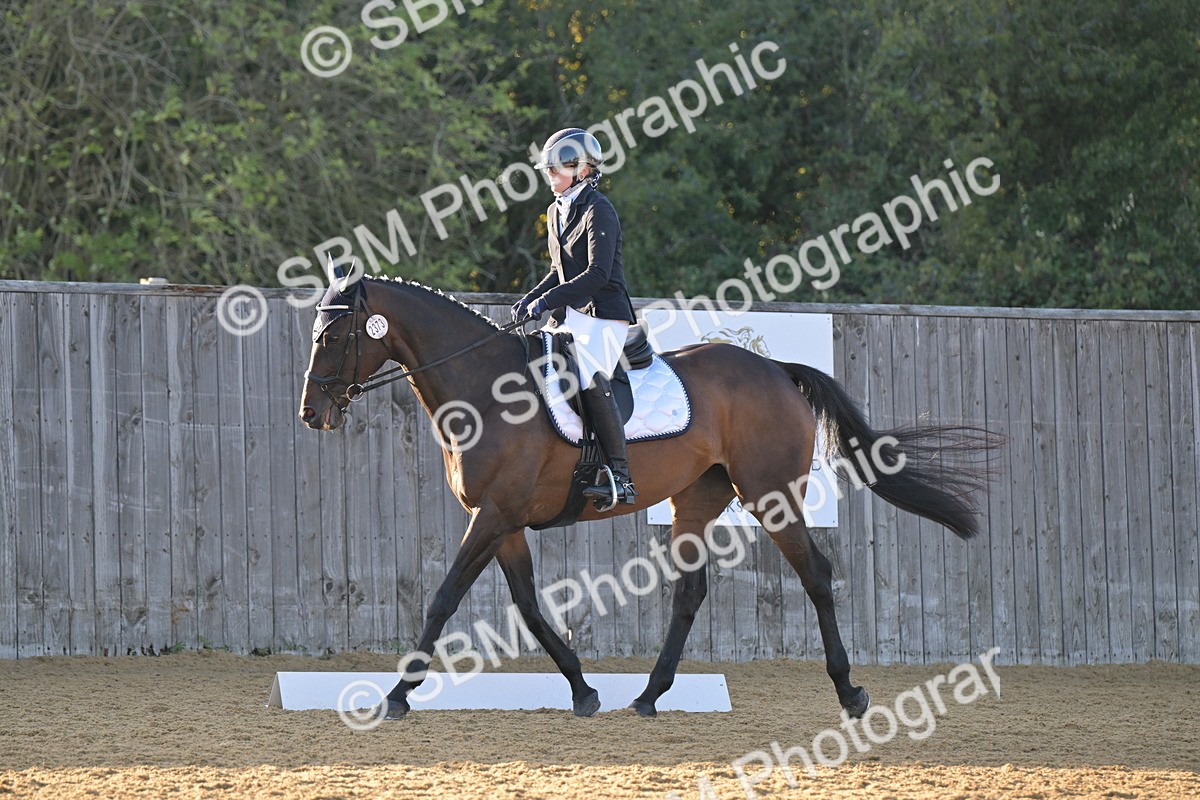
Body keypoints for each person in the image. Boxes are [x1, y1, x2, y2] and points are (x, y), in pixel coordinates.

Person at [512, 127, 638, 505]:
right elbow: (559, 270)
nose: (549, 177)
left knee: (589, 375)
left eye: (556, 170)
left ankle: (620, 475)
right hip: (573, 313)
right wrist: (531, 298)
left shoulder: (600, 209)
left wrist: (548, 301)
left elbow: (597, 275)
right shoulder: (555, 211)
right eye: (547, 170)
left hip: (604, 312)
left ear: (582, 170)